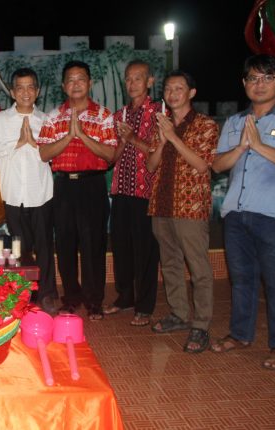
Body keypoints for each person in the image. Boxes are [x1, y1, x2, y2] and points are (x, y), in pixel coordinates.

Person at [211, 54, 275, 369]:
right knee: (241, 280)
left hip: (273, 217)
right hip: (236, 215)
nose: (260, 84)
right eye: (253, 78)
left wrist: (260, 146)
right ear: (244, 84)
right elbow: (217, 164)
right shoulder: (236, 122)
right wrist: (240, 146)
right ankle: (240, 334)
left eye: (267, 77)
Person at [37, 61, 117, 320]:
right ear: (63, 86)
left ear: (90, 83)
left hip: (92, 184)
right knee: (66, 243)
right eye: (70, 80)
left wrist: (82, 135)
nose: (76, 84)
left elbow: (110, 155)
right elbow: (44, 153)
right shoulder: (53, 116)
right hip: (62, 186)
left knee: (94, 244)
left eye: (81, 79)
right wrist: (68, 136)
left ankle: (94, 301)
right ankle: (71, 297)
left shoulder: (103, 115)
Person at [147, 70, 219, 354]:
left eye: (179, 88)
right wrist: (164, 138)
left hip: (190, 206)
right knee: (171, 263)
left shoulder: (205, 125)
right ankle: (179, 313)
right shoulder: (162, 126)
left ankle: (201, 325)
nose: (172, 93)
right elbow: (152, 165)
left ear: (191, 93)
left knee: (199, 267)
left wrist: (173, 137)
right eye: (168, 88)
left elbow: (202, 165)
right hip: (162, 204)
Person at [0, 67, 56, 311]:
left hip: (41, 194)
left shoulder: (47, 121)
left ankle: (46, 295)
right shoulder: (0, 121)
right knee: (18, 248)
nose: (25, 92)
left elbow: (56, 156)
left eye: (30, 87)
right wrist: (17, 142)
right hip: (13, 195)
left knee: (44, 247)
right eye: (20, 87)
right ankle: (23, 296)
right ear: (13, 92)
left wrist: (34, 144)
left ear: (38, 91)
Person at [104, 60, 161, 326]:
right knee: (122, 247)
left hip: (146, 193)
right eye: (128, 79)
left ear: (150, 81)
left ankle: (145, 305)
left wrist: (132, 138)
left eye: (138, 78)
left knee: (146, 251)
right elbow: (113, 155)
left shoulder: (160, 113)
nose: (132, 83)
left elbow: (158, 151)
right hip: (121, 190)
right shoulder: (120, 115)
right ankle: (125, 296)